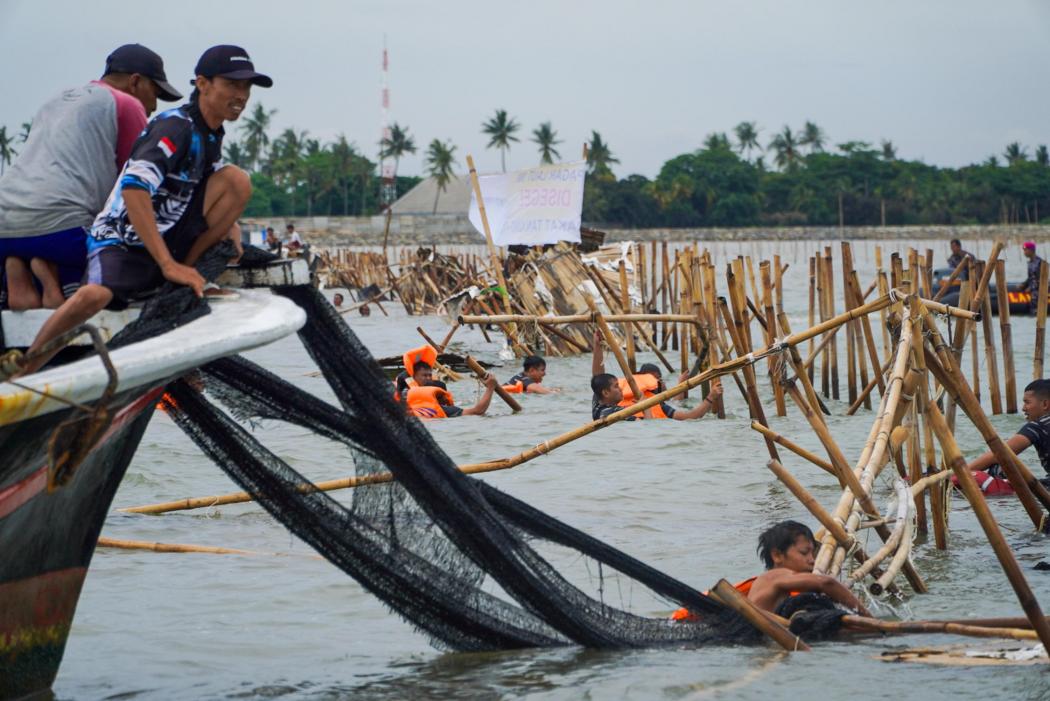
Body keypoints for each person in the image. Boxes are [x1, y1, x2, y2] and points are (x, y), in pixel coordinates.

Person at [20, 44, 272, 375]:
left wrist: (231, 229)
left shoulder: (211, 134)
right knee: (93, 296)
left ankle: (187, 275)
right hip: (122, 237)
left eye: (246, 87)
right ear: (202, 83)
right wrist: (166, 264)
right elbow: (135, 190)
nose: (241, 95)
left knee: (238, 181)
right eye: (232, 85)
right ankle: (26, 369)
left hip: (167, 233)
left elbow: (217, 181)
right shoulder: (175, 127)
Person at [0, 44, 182, 311]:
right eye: (155, 93)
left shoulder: (55, 101)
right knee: (123, 262)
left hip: (5, 228)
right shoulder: (126, 104)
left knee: (29, 247)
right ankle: (52, 280)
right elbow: (139, 187)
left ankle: (19, 271)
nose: (154, 106)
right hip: (62, 233)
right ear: (135, 82)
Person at [671, 520, 869, 621]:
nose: (811, 560)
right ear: (777, 556)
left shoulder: (783, 582)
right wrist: (867, 616)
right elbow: (827, 583)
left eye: (812, 553)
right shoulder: (775, 576)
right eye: (804, 553)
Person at [591, 330, 722, 420]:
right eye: (616, 386)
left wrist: (710, 398)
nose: (620, 388)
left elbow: (689, 417)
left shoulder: (657, 403)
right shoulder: (605, 410)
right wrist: (645, 407)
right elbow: (598, 379)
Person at [964, 379, 1050, 494]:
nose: (1023, 408)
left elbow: (1000, 454)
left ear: (1045, 404)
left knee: (999, 465)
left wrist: (960, 473)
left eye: (1027, 402)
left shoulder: (1037, 426)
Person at [406, 373, 498, 419]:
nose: (447, 398)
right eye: (445, 395)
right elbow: (478, 411)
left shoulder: (409, 406)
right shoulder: (444, 409)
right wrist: (491, 387)